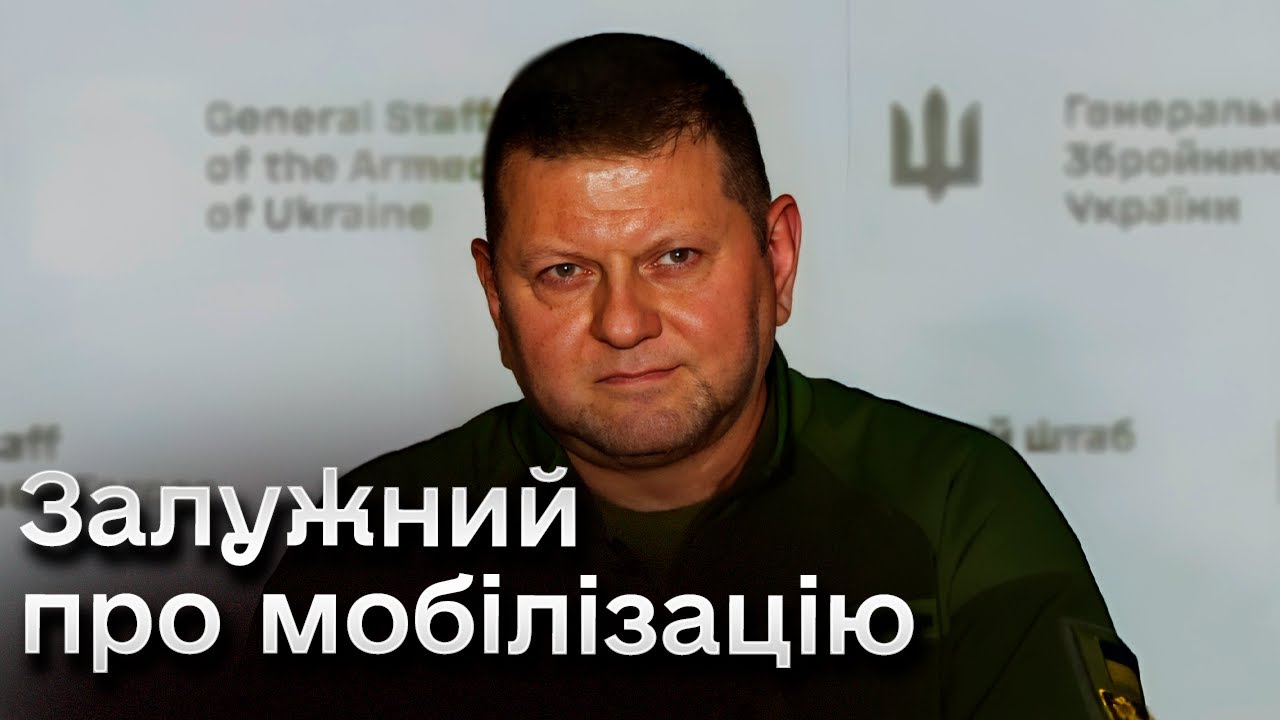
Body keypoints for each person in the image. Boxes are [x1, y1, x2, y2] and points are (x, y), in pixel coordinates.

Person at [239, 33, 1151, 719]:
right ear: (494, 296)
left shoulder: (954, 508)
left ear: (777, 257)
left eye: (675, 257)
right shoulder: (369, 548)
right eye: (564, 271)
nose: (623, 322)